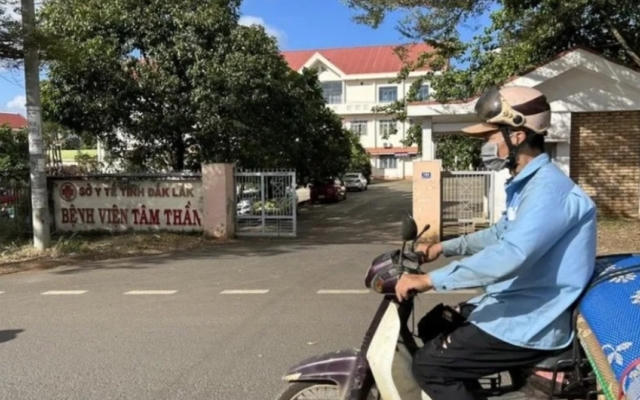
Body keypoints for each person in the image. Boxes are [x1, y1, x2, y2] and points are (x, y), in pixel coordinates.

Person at [395, 86, 597, 400]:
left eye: (490, 137)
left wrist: (430, 280)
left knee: (430, 367)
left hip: (531, 319)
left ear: (517, 136)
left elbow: (511, 254)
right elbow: (499, 233)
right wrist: (442, 248)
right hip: (513, 302)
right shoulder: (528, 186)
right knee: (433, 325)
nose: (486, 147)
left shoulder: (548, 191)